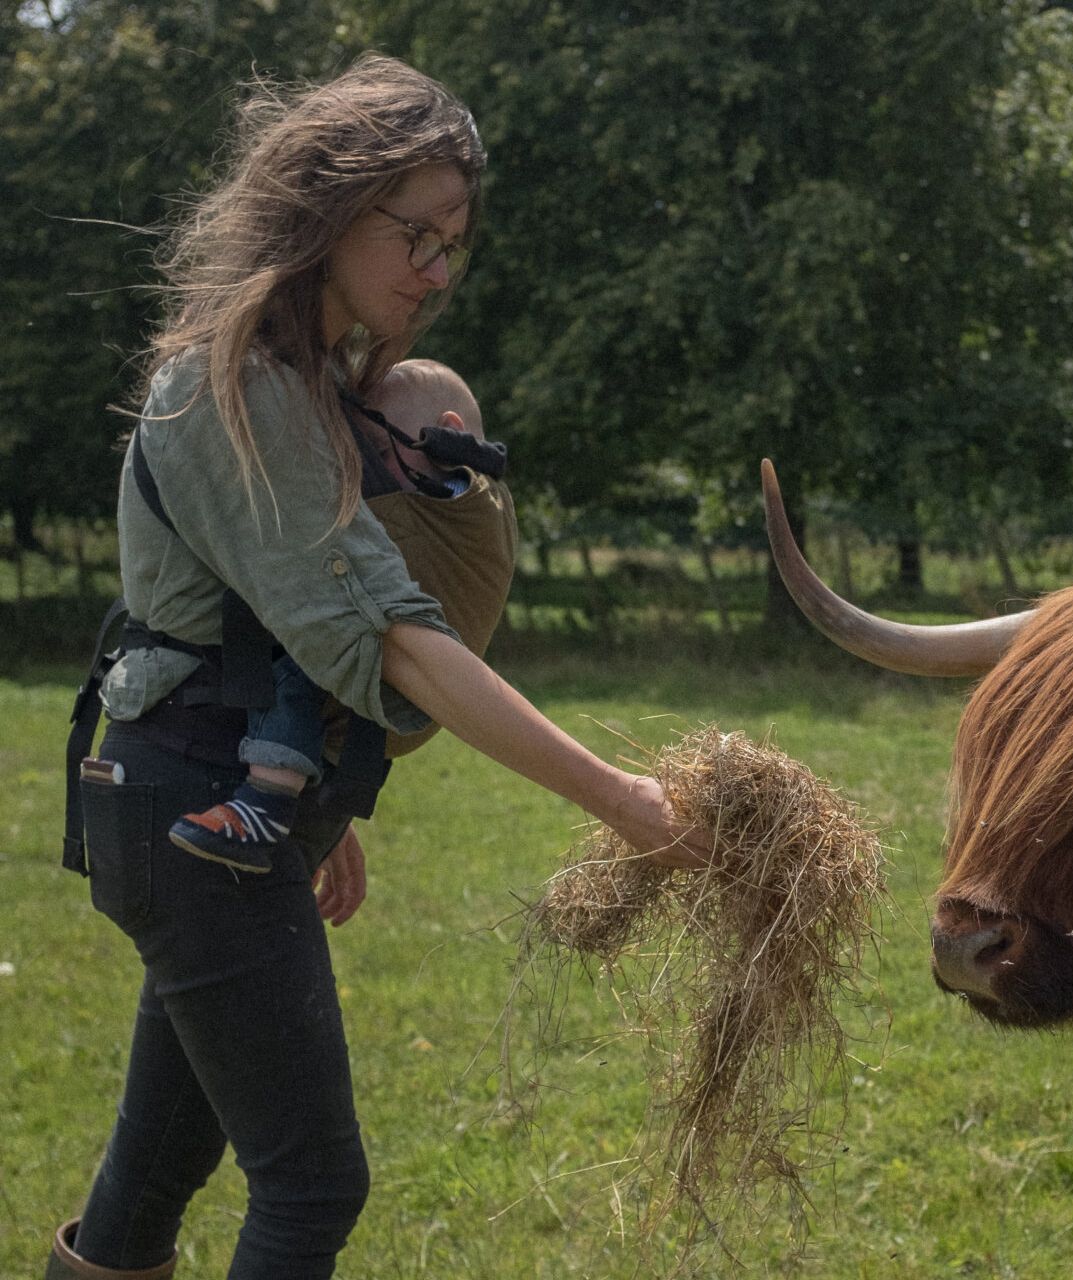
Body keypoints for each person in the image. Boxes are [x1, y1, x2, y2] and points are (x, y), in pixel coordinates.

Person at [50, 54, 709, 1280]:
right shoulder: (233, 382)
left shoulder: (309, 386)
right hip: (195, 817)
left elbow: (285, 626)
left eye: (453, 243)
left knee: (153, 1170)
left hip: (209, 810)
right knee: (312, 1183)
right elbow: (393, 635)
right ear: (326, 205)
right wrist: (624, 801)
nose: (437, 271)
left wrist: (315, 800)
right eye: (415, 233)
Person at [164, 359, 487, 873]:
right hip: (369, 705)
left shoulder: (448, 502)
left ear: (447, 437)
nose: (363, 474)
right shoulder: (471, 494)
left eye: (377, 454)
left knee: (299, 663)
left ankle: (268, 799)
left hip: (369, 649)